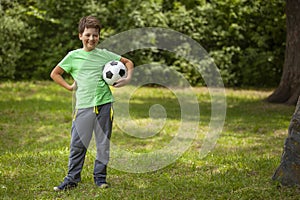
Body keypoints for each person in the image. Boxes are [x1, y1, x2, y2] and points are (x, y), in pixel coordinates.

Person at [50, 16, 134, 191]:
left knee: (103, 143)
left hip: (104, 105)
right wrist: (69, 86)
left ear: (99, 37)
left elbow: (128, 62)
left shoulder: (104, 55)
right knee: (77, 144)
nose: (91, 39)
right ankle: (72, 178)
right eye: (88, 35)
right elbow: (55, 73)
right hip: (83, 107)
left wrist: (127, 79)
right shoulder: (73, 56)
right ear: (80, 35)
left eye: (95, 35)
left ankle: (100, 178)